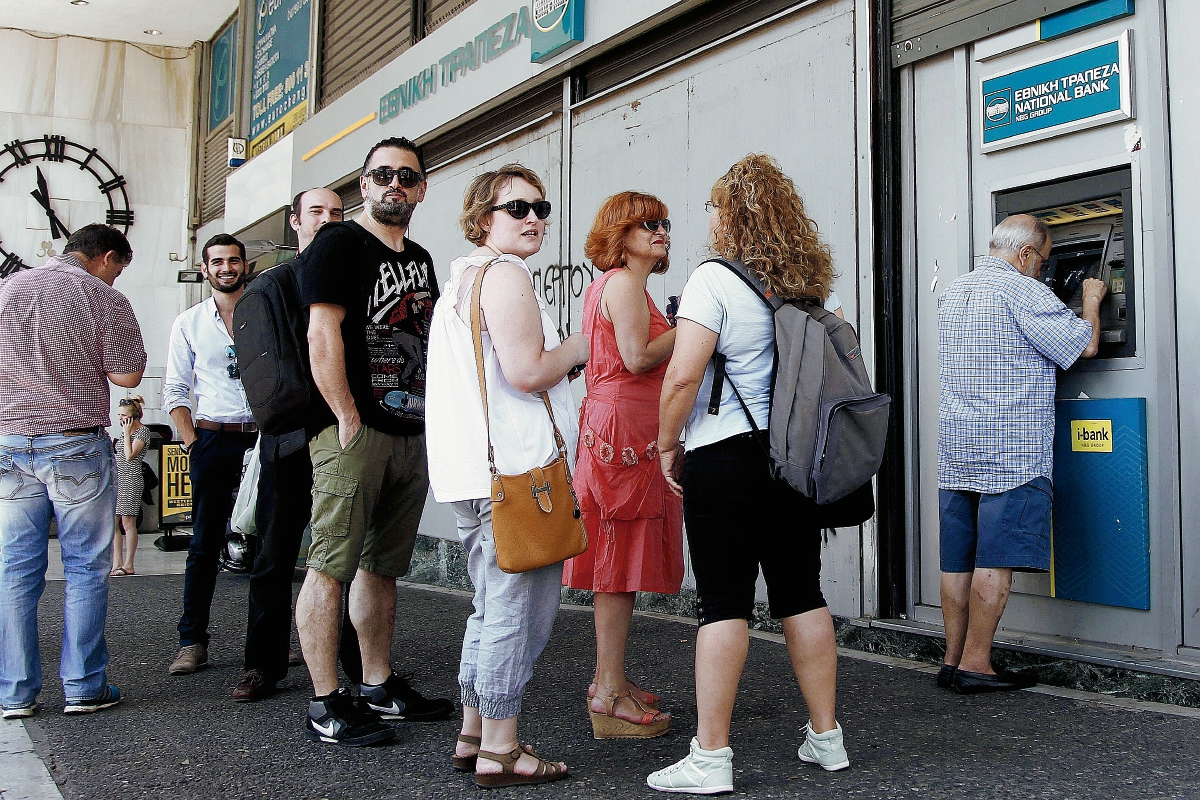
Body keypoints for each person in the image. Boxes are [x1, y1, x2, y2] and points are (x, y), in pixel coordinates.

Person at [649, 154, 849, 794]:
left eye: (712, 206)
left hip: (726, 458)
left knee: (724, 603)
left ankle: (711, 758)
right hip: (792, 459)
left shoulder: (712, 279)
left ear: (732, 214)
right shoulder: (805, 282)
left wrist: (664, 442)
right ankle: (827, 738)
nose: (707, 218)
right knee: (802, 595)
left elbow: (683, 374)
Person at [426, 164, 587, 787]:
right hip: (518, 475)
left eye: (541, 209)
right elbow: (527, 371)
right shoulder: (506, 275)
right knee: (518, 610)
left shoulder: (462, 278)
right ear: (482, 217)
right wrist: (581, 346)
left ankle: (474, 730)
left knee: (490, 603)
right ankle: (500, 745)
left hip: (475, 473)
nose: (532, 219)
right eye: (516, 208)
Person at [294, 137, 452, 746]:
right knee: (330, 565)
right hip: (353, 431)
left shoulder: (420, 257)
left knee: (382, 568)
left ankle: (378, 685)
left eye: (407, 177)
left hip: (408, 431)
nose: (395, 185)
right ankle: (326, 699)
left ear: (421, 189)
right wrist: (346, 417)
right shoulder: (338, 243)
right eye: (383, 175)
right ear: (363, 185)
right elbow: (322, 336)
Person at [936, 214, 1106, 694]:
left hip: (958, 448)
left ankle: (951, 661)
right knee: (996, 559)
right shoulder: (1023, 292)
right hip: (1010, 452)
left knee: (958, 561)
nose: (1044, 272)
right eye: (1043, 261)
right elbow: (1084, 345)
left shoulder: (955, 292)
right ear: (1026, 254)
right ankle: (976, 664)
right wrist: (1091, 301)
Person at [0, 224, 146, 718]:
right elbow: (127, 376)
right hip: (73, 444)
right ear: (105, 258)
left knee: (16, 569)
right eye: (118, 270)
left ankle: (16, 692)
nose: (116, 281)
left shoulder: (8, 287)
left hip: (10, 443)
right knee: (85, 566)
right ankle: (83, 686)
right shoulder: (100, 297)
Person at [563, 191, 680, 738]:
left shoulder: (613, 285)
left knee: (618, 558)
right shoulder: (625, 283)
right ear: (621, 233)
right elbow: (636, 358)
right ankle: (608, 691)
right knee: (617, 560)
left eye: (664, 223)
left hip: (616, 427)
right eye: (647, 223)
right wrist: (696, 325)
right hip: (625, 432)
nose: (660, 231)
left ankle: (610, 680)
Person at [234, 187, 346, 702]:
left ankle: (357, 661)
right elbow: (269, 371)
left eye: (337, 213)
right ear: (295, 222)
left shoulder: (352, 279)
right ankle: (264, 663)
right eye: (316, 212)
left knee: (347, 555)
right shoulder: (271, 288)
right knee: (274, 555)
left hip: (346, 439)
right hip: (291, 440)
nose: (326, 220)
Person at [164, 234, 259, 676]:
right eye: (217, 261)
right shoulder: (189, 322)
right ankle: (192, 641)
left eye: (233, 260)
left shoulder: (264, 313)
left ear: (244, 265)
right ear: (205, 268)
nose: (226, 268)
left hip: (264, 439)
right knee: (204, 545)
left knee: (269, 546)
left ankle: (268, 640)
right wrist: (190, 440)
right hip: (213, 439)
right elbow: (175, 389)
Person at [111, 396, 152, 577]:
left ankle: (129, 564)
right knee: (114, 522)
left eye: (124, 415)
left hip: (131, 479)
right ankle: (116, 562)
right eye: (119, 415)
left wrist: (127, 434)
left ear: (134, 416)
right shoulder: (123, 432)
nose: (120, 418)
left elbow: (129, 455)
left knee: (128, 522)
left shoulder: (142, 432)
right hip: (118, 479)